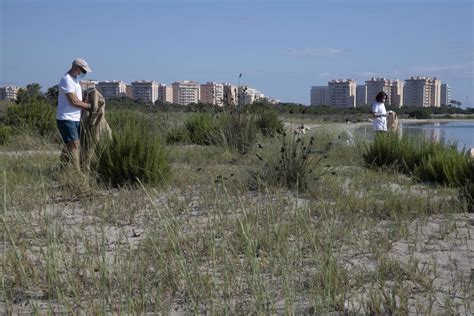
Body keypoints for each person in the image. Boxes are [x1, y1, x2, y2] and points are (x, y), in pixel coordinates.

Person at [56, 58, 93, 171]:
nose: (84, 73)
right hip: (66, 118)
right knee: (75, 145)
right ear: (76, 67)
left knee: (68, 145)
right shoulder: (66, 80)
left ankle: (61, 170)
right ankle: (78, 174)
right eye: (83, 70)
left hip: (75, 118)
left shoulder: (75, 80)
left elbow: (79, 99)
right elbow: (74, 101)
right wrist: (91, 107)